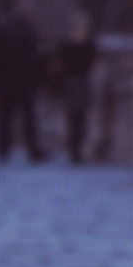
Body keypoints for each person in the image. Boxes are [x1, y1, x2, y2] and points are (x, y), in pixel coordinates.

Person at [0, 0, 46, 163]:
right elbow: (36, 56)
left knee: (6, 117)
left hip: (7, 80)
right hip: (23, 80)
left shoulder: (4, 29)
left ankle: (3, 150)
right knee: (27, 117)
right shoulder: (27, 30)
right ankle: (32, 150)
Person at [52, 11, 96, 165]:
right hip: (71, 84)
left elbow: (91, 65)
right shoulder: (65, 48)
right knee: (72, 119)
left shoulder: (88, 47)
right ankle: (73, 150)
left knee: (81, 120)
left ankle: (77, 149)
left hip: (81, 83)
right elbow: (59, 68)